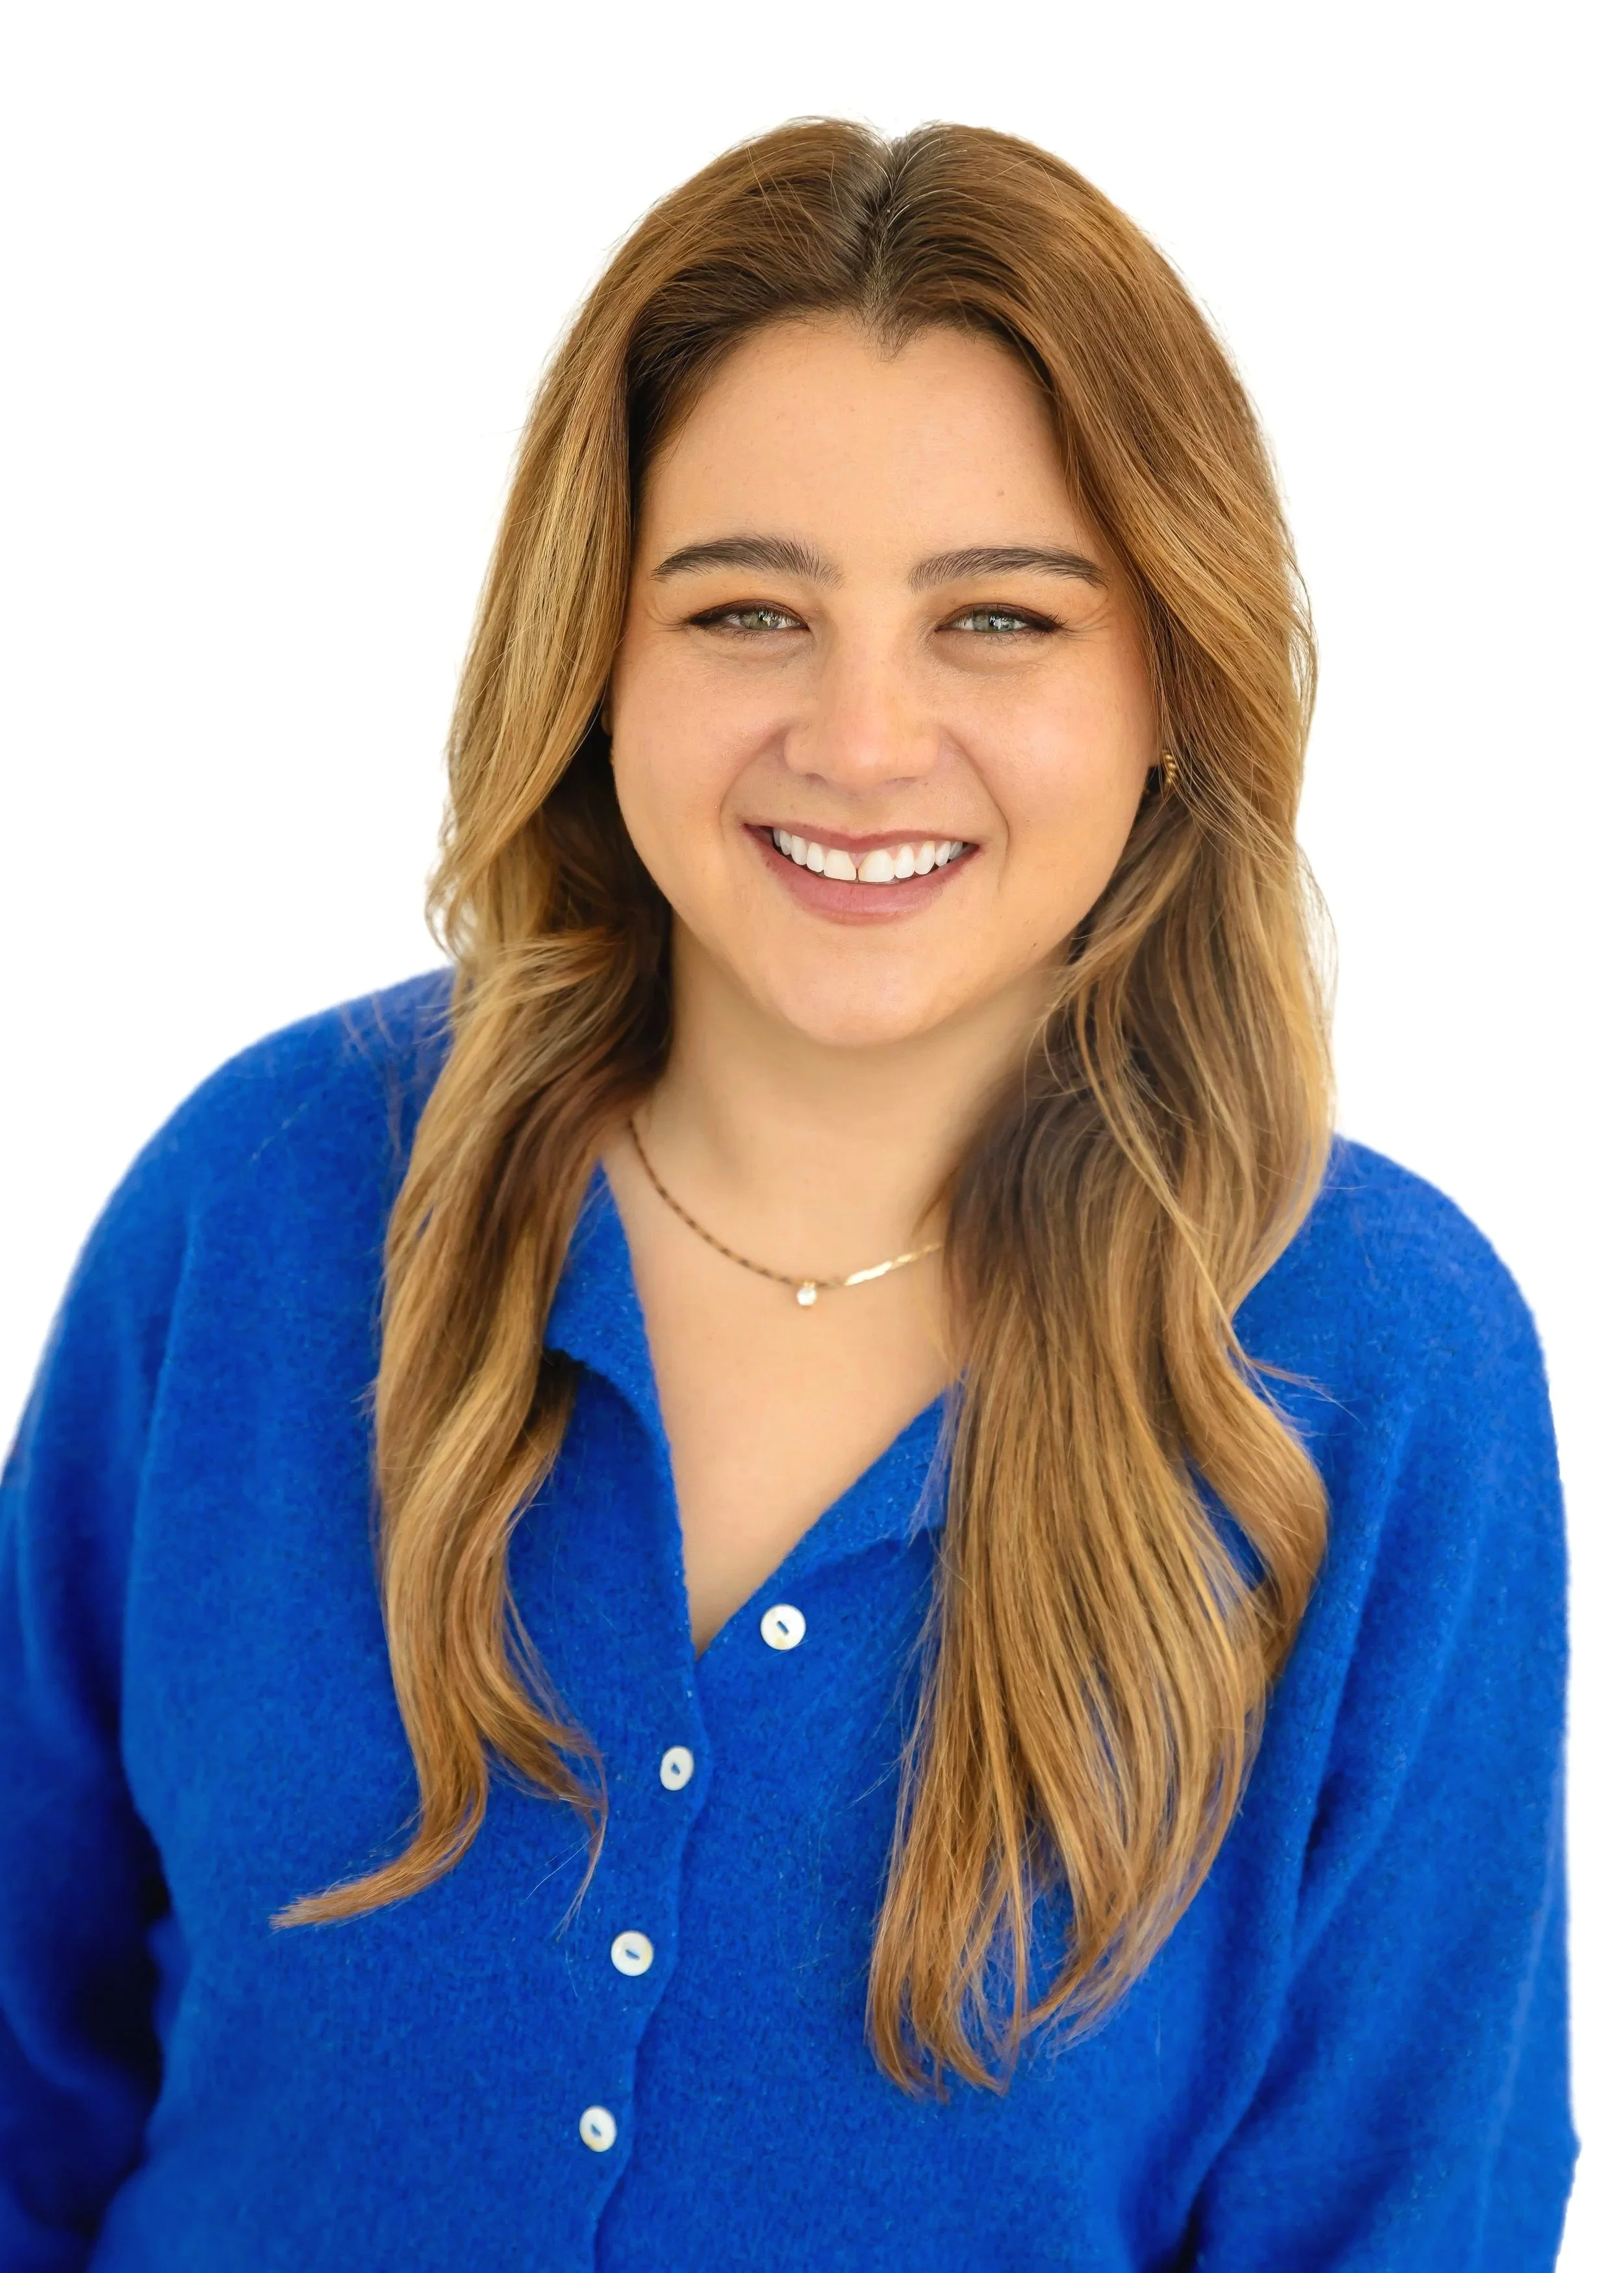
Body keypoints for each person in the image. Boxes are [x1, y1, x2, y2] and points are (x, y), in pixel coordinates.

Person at [0, 118, 1573, 2270]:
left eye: (996, 621)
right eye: (746, 609)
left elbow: (1405, 2211)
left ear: (1166, 685)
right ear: (597, 660)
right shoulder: (264, 1206)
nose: (857, 738)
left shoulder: (1376, 1363)